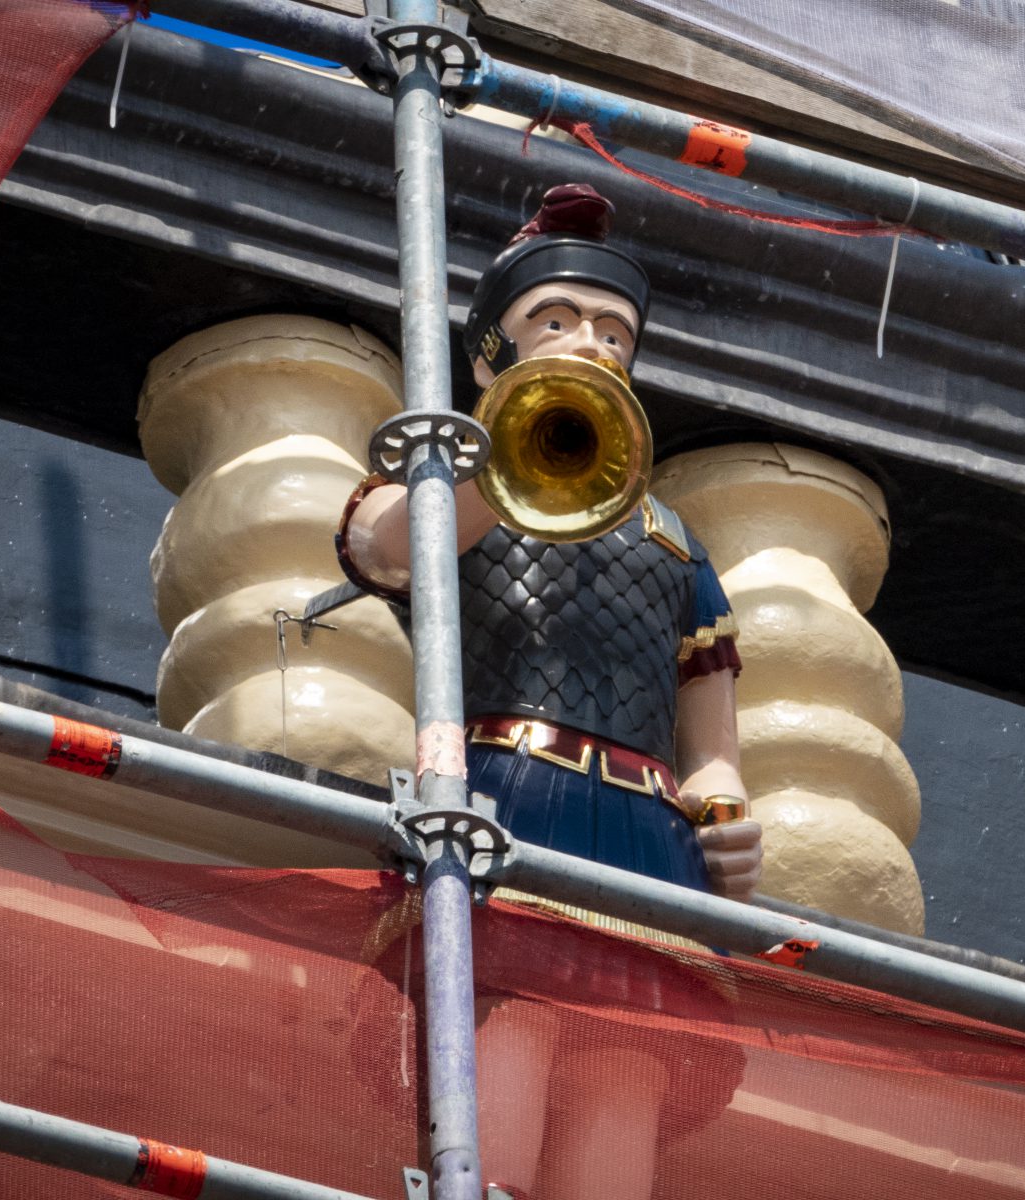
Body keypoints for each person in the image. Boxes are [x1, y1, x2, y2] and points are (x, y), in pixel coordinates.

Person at [337, 183, 761, 1199]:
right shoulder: (453, 493)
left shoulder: (670, 540)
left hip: (646, 829)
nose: (591, 346)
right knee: (512, 1013)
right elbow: (388, 549)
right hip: (504, 796)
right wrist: (490, 465)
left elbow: (710, 736)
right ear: (494, 354)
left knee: (625, 1061)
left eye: (615, 333)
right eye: (556, 322)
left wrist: (725, 811)